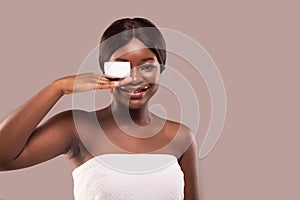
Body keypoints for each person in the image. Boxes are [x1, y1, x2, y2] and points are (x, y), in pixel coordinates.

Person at [0, 17, 200, 199]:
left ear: (161, 69)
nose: (135, 78)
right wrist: (58, 88)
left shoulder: (181, 137)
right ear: (105, 70)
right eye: (121, 67)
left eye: (147, 67)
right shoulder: (77, 127)